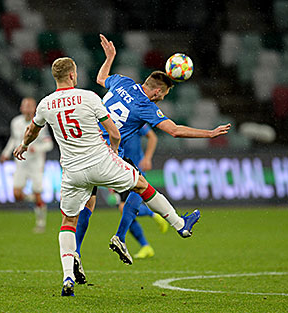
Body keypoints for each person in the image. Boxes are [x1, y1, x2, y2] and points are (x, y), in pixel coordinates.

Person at [13, 57, 202, 297]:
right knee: (142, 185)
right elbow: (114, 131)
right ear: (73, 75)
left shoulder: (45, 104)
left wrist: (22, 145)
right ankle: (179, 224)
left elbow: (32, 130)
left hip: (71, 172)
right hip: (101, 162)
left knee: (68, 222)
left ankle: (68, 276)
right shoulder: (89, 97)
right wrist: (113, 153)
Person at [74, 34, 231, 270]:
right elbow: (175, 130)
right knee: (140, 187)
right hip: (110, 154)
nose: (162, 100)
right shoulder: (146, 105)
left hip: (86, 147)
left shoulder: (123, 82)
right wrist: (209, 134)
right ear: (157, 92)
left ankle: (75, 254)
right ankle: (129, 234)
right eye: (164, 96)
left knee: (88, 203)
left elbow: (100, 78)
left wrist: (110, 57)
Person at [114, 124, 168, 259]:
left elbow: (152, 137)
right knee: (123, 209)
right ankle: (146, 245)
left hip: (135, 169)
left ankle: (152, 217)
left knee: (123, 208)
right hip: (120, 169)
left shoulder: (134, 118)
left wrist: (147, 158)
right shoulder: (110, 121)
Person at [0, 97, 53, 233]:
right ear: (21, 108)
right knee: (16, 194)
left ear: (35, 109)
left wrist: (37, 149)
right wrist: (6, 153)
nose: (28, 109)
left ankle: (40, 223)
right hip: (21, 164)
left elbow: (49, 144)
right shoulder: (15, 122)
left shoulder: (40, 123)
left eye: (30, 106)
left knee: (37, 192)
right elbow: (14, 139)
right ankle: (35, 200)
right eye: (25, 106)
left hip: (36, 165)